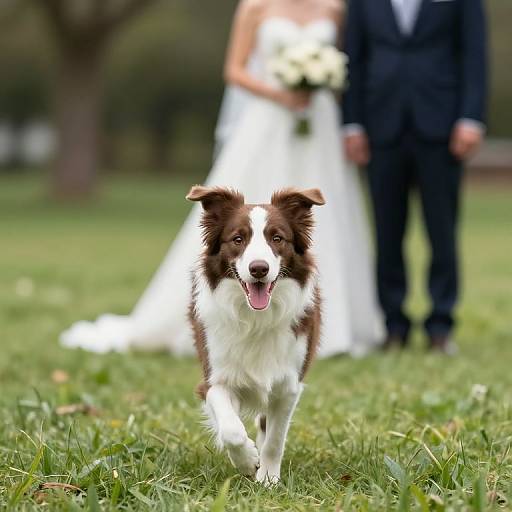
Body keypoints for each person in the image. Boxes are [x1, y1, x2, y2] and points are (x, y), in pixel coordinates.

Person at [61, 0, 383, 357]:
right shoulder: (255, 6)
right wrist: (282, 93)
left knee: (328, 220)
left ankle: (331, 326)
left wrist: (322, 83)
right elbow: (235, 70)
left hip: (318, 121)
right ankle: (219, 317)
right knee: (247, 217)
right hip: (270, 118)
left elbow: (348, 63)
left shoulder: (334, 9)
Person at [342, 0, 487, 353]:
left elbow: (474, 54)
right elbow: (354, 60)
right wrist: (352, 123)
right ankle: (394, 324)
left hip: (442, 127)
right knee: (387, 232)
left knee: (442, 230)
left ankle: (441, 324)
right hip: (380, 127)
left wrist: (470, 117)